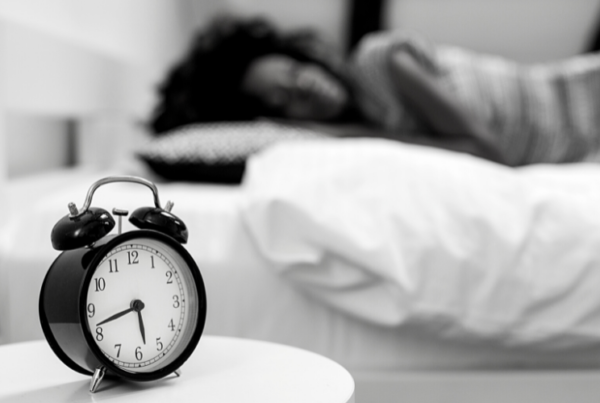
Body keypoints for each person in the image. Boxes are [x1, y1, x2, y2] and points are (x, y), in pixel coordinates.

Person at [150, 16, 600, 166]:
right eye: (282, 99)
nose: (303, 88)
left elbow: (485, 148)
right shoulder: (368, 127)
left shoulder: (379, 61)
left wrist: (354, 137)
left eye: (293, 70)